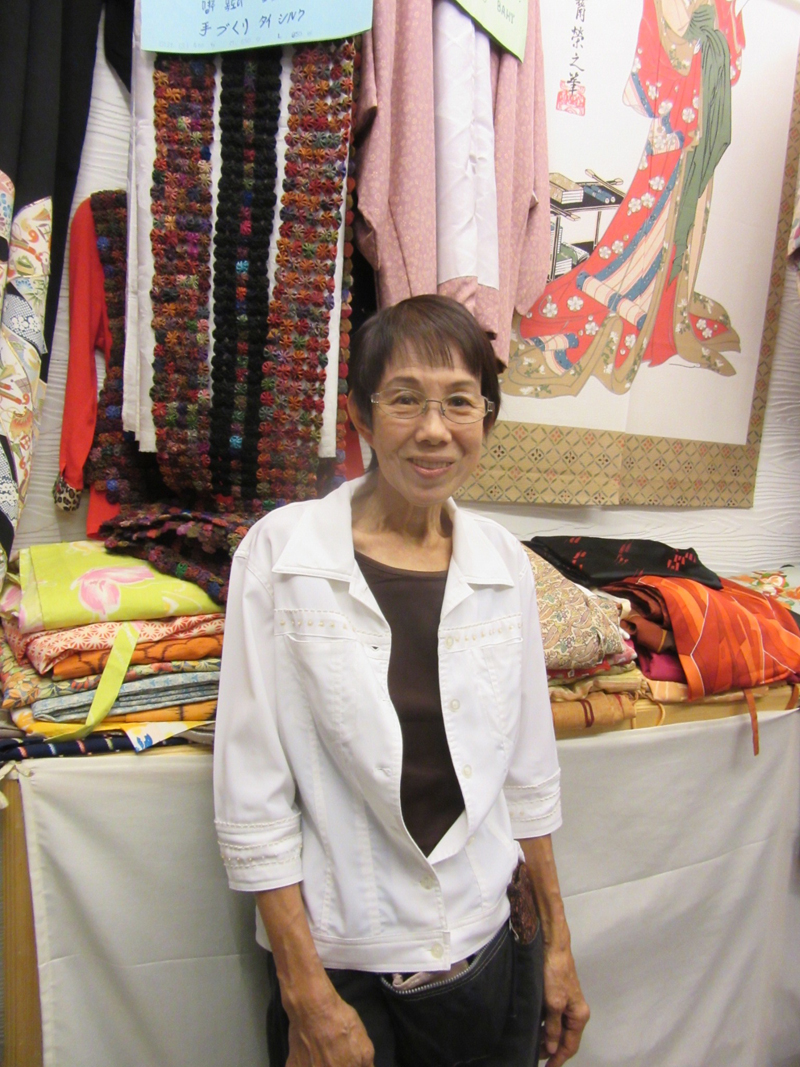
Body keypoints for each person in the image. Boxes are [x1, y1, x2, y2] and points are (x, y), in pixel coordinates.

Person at [213, 294, 589, 1066]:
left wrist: (556, 946)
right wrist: (305, 993)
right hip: (344, 952)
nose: (433, 429)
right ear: (359, 412)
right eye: (405, 399)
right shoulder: (281, 554)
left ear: (486, 416)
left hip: (490, 938)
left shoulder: (502, 562)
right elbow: (252, 789)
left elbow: (527, 776)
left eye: (460, 402)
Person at [505, 0, 745, 399]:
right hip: (678, 118)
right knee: (653, 212)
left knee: (693, 211)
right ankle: (645, 299)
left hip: (707, 106)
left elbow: (731, 53)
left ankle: (670, 305)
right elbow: (669, 50)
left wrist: (711, 45)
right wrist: (699, 43)